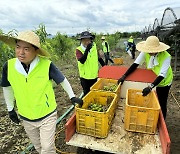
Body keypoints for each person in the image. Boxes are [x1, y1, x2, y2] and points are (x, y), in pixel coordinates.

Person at [0, 30, 83, 154]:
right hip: (26, 117)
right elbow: (7, 87)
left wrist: (72, 96)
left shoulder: (46, 65)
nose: (21, 52)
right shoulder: (9, 66)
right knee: (39, 147)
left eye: (26, 49)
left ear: (36, 50)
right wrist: (11, 109)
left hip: (47, 115)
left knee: (47, 148)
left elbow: (63, 80)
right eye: (18, 47)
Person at [118, 36, 173, 119]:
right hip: (153, 78)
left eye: (152, 51)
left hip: (164, 82)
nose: (149, 52)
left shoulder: (166, 56)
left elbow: (162, 75)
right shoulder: (146, 52)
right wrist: (124, 76)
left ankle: (162, 120)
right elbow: (135, 64)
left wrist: (150, 87)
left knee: (162, 102)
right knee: (152, 100)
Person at [76, 31, 105, 96]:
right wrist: (87, 50)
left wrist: (105, 67)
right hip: (85, 77)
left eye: (88, 40)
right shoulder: (78, 50)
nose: (87, 42)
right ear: (81, 41)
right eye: (84, 40)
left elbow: (98, 58)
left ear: (91, 40)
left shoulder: (94, 46)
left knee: (95, 92)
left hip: (95, 75)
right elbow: (82, 61)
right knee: (87, 93)